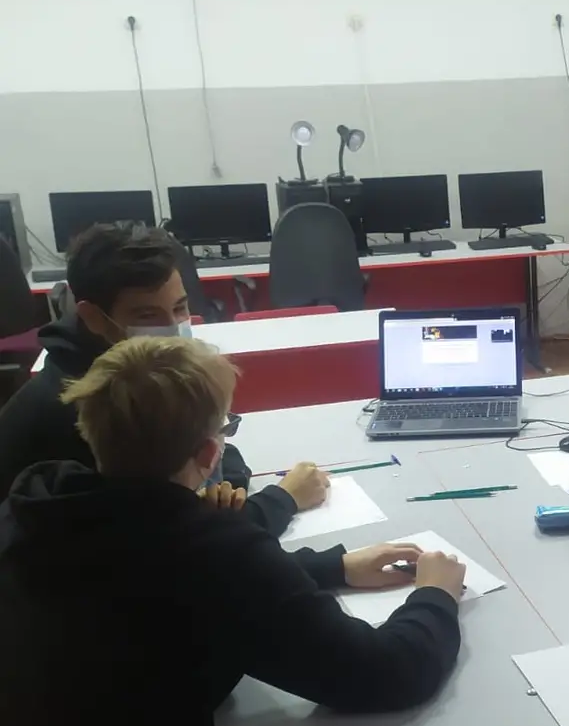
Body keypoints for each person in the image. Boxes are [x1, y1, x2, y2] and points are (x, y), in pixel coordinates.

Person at [0, 336, 493, 726]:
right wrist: (436, 595)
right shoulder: (209, 551)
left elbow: (159, 572)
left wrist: (332, 567)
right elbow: (391, 672)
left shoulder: (38, 506)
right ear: (210, 452)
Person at [0, 222, 327, 534]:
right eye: (147, 315)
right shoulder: (95, 405)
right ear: (93, 317)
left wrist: (226, 484)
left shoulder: (132, 375)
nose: (172, 327)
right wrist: (282, 500)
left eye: (180, 308)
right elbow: (169, 544)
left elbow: (208, 443)